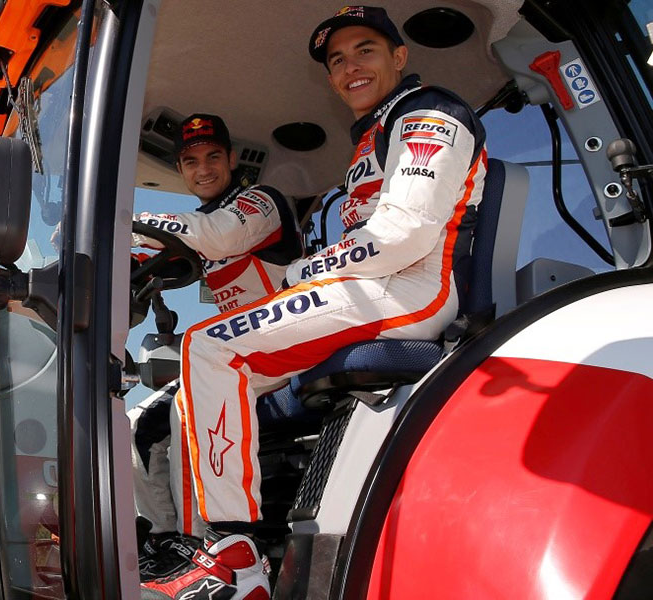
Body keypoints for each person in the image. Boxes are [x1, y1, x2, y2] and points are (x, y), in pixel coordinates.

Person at [141, 6, 487, 599]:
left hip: (411, 289)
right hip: (375, 288)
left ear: (399, 57)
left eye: (366, 51)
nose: (350, 67)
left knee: (211, 347)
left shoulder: (428, 111)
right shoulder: (375, 137)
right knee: (172, 398)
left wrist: (303, 273)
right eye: (337, 61)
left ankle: (234, 559)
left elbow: (402, 235)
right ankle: (201, 546)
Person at [127, 113, 302, 581]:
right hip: (237, 355)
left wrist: (131, 220)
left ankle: (204, 548)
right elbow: (149, 251)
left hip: (290, 342)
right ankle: (166, 540)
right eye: (190, 161)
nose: (202, 169)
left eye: (212, 157)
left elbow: (219, 235)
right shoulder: (194, 224)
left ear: (230, 160)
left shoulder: (261, 203)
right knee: (139, 422)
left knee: (189, 405)